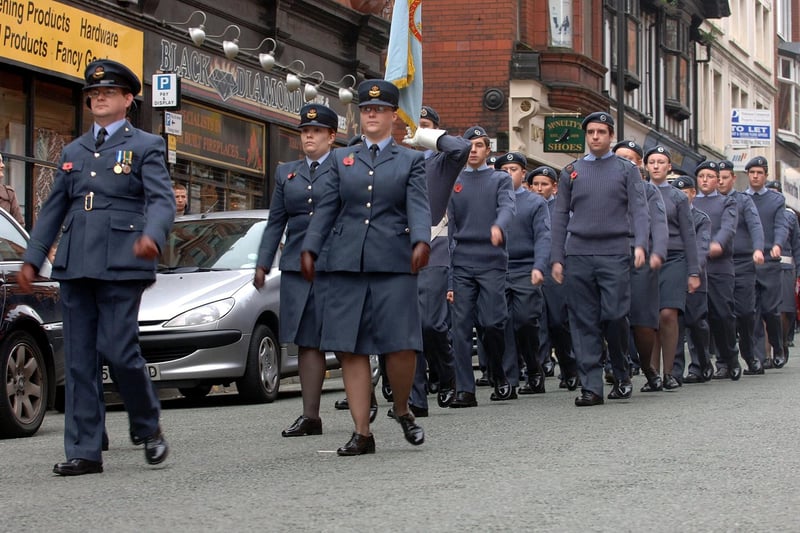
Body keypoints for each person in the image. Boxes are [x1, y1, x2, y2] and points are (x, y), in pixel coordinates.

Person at [17, 59, 175, 475]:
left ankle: (147, 426)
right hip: (75, 263)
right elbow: (53, 211)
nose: (98, 97)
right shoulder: (73, 151)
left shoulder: (146, 145)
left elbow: (160, 199)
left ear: (127, 99)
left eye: (107, 92)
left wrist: (154, 236)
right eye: (93, 93)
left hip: (125, 260)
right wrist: (33, 259)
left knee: (120, 351)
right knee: (80, 359)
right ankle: (85, 450)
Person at [300, 80, 431, 456]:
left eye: (380, 109)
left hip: (393, 260)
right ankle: (362, 433)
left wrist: (420, 240)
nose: (372, 114)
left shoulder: (410, 160)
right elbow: (326, 208)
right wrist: (310, 247)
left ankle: (402, 408)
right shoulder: (342, 160)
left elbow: (418, 206)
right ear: (359, 116)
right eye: (366, 109)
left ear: (393, 116)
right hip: (346, 263)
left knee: (401, 345)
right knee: (350, 348)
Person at [550, 111, 649, 406]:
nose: (595, 137)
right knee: (582, 321)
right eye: (591, 132)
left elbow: (639, 210)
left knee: (615, 316)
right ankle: (591, 387)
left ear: (610, 136)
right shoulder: (571, 171)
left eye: (601, 132)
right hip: (578, 253)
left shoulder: (626, 170)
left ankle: (620, 369)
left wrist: (641, 243)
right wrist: (557, 257)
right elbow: (559, 215)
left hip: (614, 252)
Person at [255, 103, 339, 437]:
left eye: (316, 132)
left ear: (331, 136)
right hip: (296, 267)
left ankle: (363, 400)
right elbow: (276, 222)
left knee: (345, 337)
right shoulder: (286, 172)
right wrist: (262, 263)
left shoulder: (345, 167)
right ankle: (310, 415)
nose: (309, 137)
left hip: (335, 263)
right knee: (307, 341)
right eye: (305, 131)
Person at [402, 105, 470, 414]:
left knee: (431, 324)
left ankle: (446, 375)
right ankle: (415, 398)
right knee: (408, 326)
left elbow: (461, 146)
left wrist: (427, 137)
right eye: (411, 125)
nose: (415, 130)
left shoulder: (441, 164)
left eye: (424, 125)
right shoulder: (397, 161)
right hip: (398, 249)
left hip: (434, 248)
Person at [446, 126, 516, 407]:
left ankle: (498, 372)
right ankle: (465, 389)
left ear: (488, 150)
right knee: (460, 328)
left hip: (492, 262)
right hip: (462, 262)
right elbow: (449, 227)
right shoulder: (454, 181)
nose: (473, 150)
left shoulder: (500, 179)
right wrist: (449, 277)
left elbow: (508, 208)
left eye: (478, 145)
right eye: (469, 145)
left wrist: (499, 226)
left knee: (492, 323)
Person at [612, 140, 668, 391]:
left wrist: (657, 252)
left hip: (640, 256)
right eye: (619, 157)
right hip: (608, 254)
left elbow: (659, 224)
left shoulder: (649, 191)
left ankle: (646, 365)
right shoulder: (601, 186)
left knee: (642, 320)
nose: (624, 163)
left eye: (630, 158)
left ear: (639, 165)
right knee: (612, 315)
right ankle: (618, 369)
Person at [643, 146, 700, 390]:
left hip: (674, 258)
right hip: (644, 259)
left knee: (667, 314)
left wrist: (694, 271)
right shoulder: (638, 193)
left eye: (661, 162)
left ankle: (671, 372)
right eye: (652, 161)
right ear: (646, 166)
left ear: (669, 167)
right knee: (649, 318)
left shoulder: (677, 197)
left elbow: (689, 235)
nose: (656, 166)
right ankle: (652, 374)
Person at [495, 152, 551, 395]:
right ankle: (508, 379)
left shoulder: (535, 203)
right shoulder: (492, 201)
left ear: (523, 174)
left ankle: (534, 366)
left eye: (514, 169)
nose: (509, 173)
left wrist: (539, 265)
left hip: (526, 269)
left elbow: (543, 236)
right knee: (501, 324)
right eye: (504, 169)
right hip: (497, 269)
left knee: (525, 321)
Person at [528, 166, 579, 390]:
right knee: (533, 323)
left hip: (555, 269)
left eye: (545, 184)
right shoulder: (525, 206)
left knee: (559, 322)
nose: (540, 189)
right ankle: (536, 372)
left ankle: (569, 367)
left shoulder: (562, 209)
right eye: (536, 184)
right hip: (530, 268)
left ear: (554, 187)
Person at [691, 161, 741, 380]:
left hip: (720, 266)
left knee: (722, 315)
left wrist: (717, 244)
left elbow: (728, 227)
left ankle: (728, 359)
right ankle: (699, 365)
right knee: (695, 318)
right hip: (695, 267)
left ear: (717, 179)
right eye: (701, 176)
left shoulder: (726, 202)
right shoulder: (690, 202)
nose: (705, 180)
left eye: (710, 176)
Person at [716, 160, 765, 376]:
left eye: (724, 177)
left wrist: (758, 249)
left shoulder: (743, 201)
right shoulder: (709, 202)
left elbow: (755, 225)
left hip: (743, 262)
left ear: (733, 179)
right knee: (721, 313)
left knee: (745, 312)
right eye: (717, 177)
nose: (720, 181)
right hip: (718, 264)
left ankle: (749, 354)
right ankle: (724, 361)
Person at [743, 157, 790, 369]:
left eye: (759, 172)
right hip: (747, 260)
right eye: (752, 172)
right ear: (747, 175)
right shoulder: (741, 199)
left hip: (770, 259)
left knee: (770, 310)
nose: (755, 176)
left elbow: (781, 225)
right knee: (751, 311)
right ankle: (759, 357)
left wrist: (778, 244)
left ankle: (777, 346)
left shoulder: (776, 200)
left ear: (766, 175)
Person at [669, 176, 713, 383]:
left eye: (685, 193)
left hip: (695, 277)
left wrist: (693, 271)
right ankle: (674, 372)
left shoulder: (701, 219)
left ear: (693, 194)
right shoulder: (668, 216)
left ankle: (701, 365)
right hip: (673, 276)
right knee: (675, 324)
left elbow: (702, 248)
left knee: (696, 323)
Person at [0, 152, 24, 225]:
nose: (3, 165)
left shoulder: (9, 193)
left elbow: (19, 226)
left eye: (2, 161)